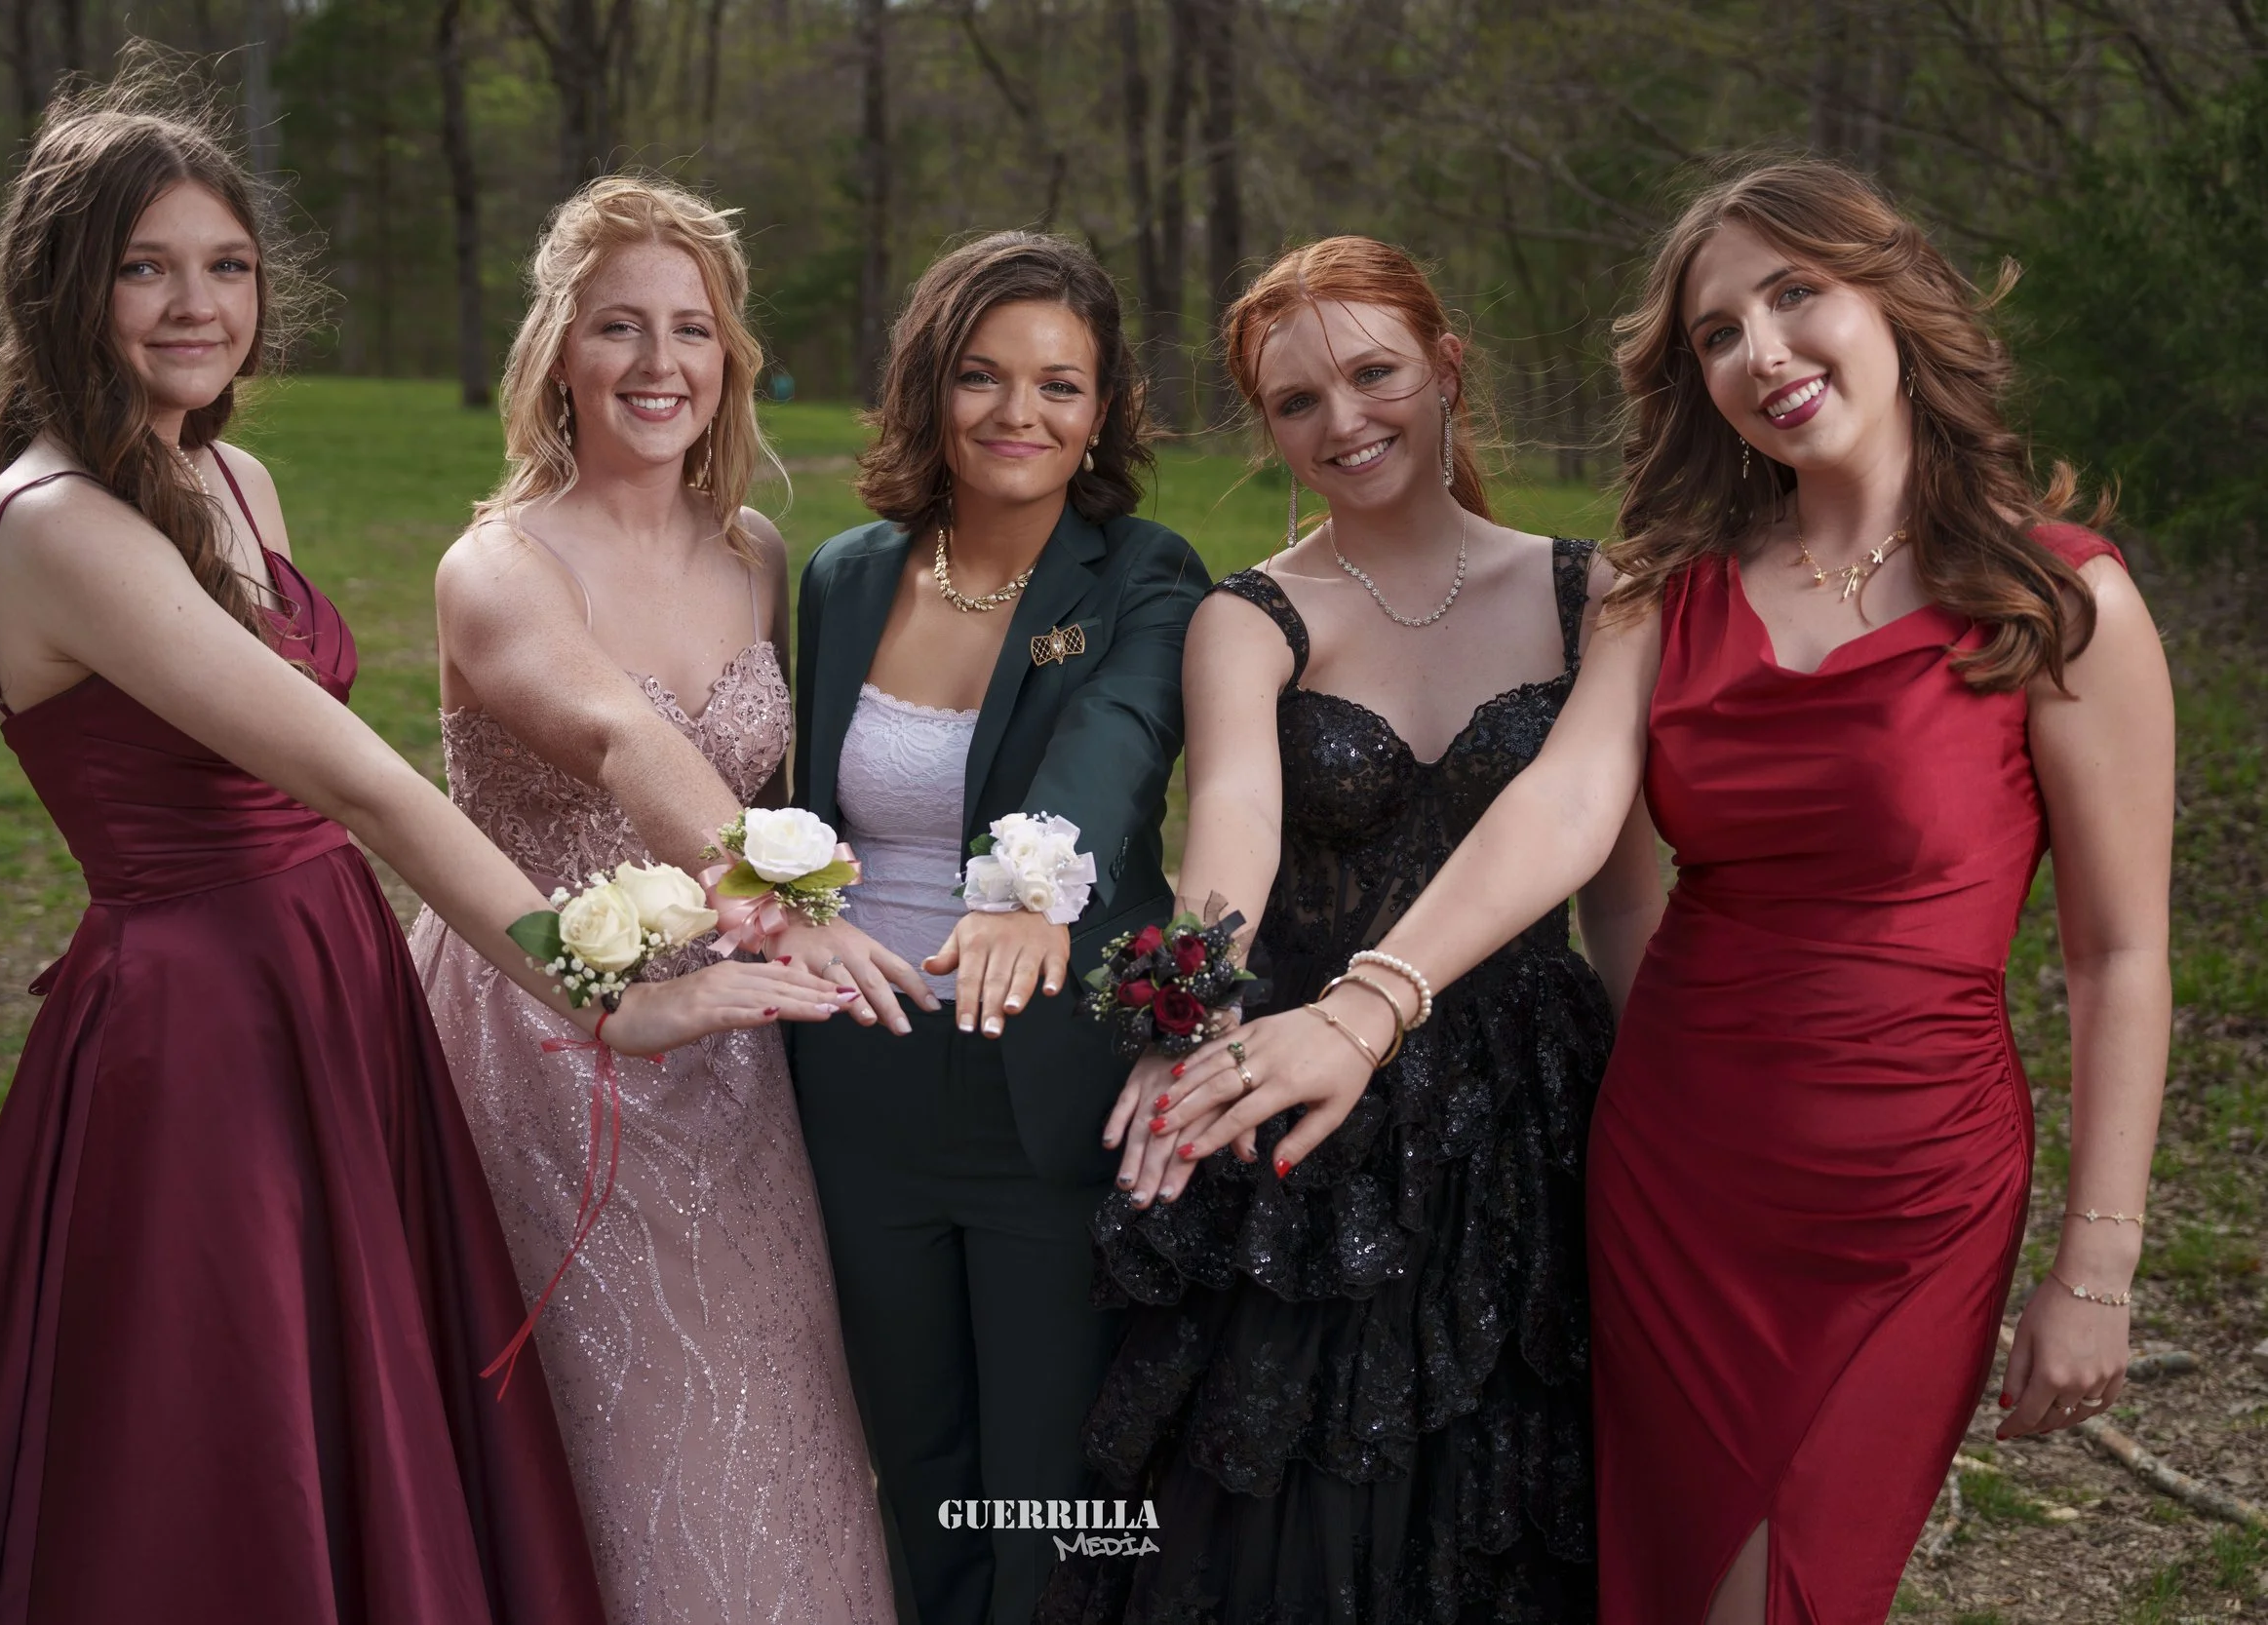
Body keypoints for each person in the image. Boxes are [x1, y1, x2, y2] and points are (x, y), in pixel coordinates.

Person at [0, 78, 846, 1624]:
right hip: (201, 1020)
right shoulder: (56, 523)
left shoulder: (231, 478)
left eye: (227, 265)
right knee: (222, 1427)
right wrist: (610, 997)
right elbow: (369, 786)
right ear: (62, 287)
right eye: (146, 266)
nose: (198, 304)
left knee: (359, 1402)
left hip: (328, 979)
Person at [1151, 161, 2172, 1624]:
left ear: (1891, 295)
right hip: (1678, 1165)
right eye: (1717, 332)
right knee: (1663, 1585)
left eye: (1796, 294)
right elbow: (1562, 808)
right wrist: (1364, 1010)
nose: (1763, 351)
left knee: (1794, 1586)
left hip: (1910, 1186)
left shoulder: (2058, 599)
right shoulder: (1666, 586)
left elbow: (2120, 954)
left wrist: (2097, 1266)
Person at [1040, 236, 1663, 1625]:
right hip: (1316, 1087)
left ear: (1447, 368)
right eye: (1297, 401)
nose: (1344, 420)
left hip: (1528, 1096)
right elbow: (1232, 835)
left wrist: (1667, 1088)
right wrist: (1188, 1013)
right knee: (1299, 1484)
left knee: (1512, 1464)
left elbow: (1620, 889)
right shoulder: (1252, 616)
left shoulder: (1598, 593)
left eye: (1376, 374)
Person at [407, 175, 903, 1624]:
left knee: (764, 1398)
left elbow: (783, 777)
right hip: (544, 1031)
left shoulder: (753, 552)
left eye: (692, 328)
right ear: (559, 350)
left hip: (736, 1045)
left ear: (730, 356)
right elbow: (626, 736)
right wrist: (790, 898)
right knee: (612, 1414)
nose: (659, 362)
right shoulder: (497, 564)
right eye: (618, 325)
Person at [788, 231, 1210, 1624]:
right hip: (860, 1077)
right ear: (931, 385)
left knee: (1044, 1485)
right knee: (916, 1468)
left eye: (1057, 384)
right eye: (981, 375)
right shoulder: (846, 577)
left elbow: (1116, 740)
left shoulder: (1144, 575)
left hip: (1046, 1093)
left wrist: (1029, 886)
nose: (1016, 412)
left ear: (1103, 411)